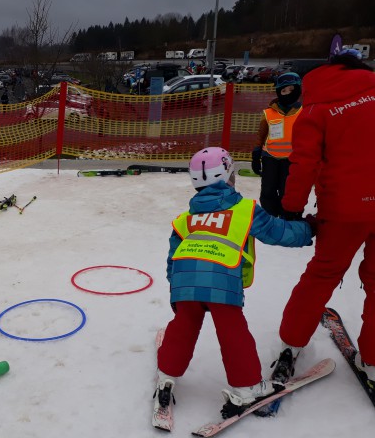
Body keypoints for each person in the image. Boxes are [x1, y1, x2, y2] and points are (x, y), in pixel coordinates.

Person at [155, 147, 314, 418]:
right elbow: (279, 232)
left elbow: (173, 256)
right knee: (233, 334)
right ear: (229, 176)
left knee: (183, 326)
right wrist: (309, 229)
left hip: (185, 283)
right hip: (222, 284)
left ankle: (166, 375)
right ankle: (247, 387)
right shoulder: (245, 210)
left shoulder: (186, 219)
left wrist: (177, 287)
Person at [271, 47, 375, 387]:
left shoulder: (317, 108)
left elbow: (303, 163)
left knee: (322, 275)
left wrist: (291, 209)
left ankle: (292, 342)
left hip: (345, 209)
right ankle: (373, 359)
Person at [251, 72, 304, 217]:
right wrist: (256, 154)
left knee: (286, 190)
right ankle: (270, 217)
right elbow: (261, 134)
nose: (287, 94)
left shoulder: (303, 112)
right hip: (270, 157)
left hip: (292, 160)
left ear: (298, 90)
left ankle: (288, 217)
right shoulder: (268, 113)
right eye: (284, 90)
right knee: (268, 190)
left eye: (291, 90)